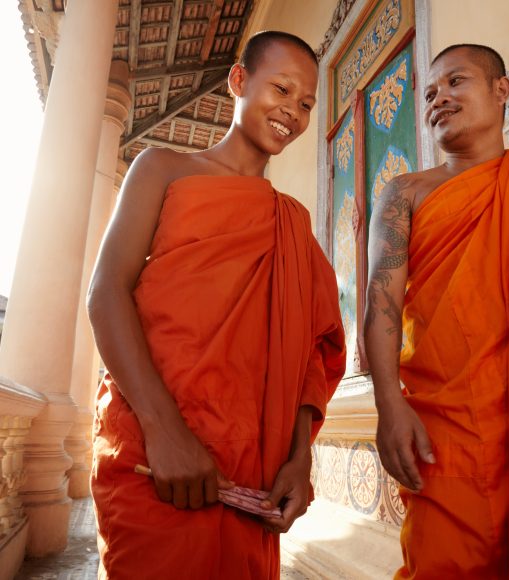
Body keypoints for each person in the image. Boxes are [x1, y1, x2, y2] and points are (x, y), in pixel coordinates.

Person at [88, 31, 346, 580]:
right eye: (281, 88)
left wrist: (301, 459)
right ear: (238, 80)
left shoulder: (292, 224)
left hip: (253, 471)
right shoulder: (163, 169)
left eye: (306, 104)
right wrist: (164, 432)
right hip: (153, 454)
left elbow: (313, 353)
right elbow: (107, 292)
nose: (293, 112)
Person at [364, 44, 509, 579]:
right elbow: (380, 301)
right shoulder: (405, 193)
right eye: (429, 92)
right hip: (448, 426)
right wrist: (387, 404)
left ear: (503, 91)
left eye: (456, 81)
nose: (439, 98)